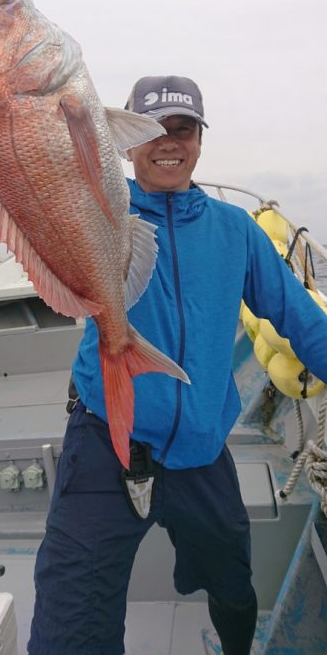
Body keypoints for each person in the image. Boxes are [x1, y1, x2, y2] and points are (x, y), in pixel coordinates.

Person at [28, 75, 327, 655]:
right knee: (70, 625)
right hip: (106, 441)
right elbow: (38, 167)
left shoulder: (235, 230)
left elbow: (299, 317)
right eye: (153, 130)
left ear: (199, 141)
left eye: (183, 129)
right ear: (124, 139)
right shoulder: (96, 212)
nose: (169, 141)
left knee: (235, 587)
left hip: (201, 451)